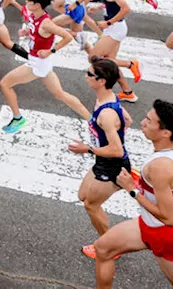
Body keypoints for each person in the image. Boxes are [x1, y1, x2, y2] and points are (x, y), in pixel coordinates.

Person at [91, 100, 173, 289]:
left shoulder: (160, 167)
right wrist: (171, 184)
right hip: (146, 225)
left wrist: (132, 190)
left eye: (149, 121)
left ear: (165, 132)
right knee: (102, 250)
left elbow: (167, 217)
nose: (143, 122)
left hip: (166, 235)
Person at [0, 0, 91, 134]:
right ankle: (91, 119)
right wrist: (27, 33)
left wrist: (50, 51)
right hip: (43, 64)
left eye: (29, 0)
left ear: (37, 4)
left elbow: (67, 37)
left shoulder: (46, 22)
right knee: (60, 94)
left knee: (4, 84)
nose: (26, 1)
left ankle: (18, 118)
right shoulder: (36, 17)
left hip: (37, 64)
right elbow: (39, 33)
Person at [69, 58, 131, 258]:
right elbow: (127, 120)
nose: (86, 76)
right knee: (82, 196)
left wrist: (87, 149)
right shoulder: (106, 98)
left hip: (112, 165)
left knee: (90, 205)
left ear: (101, 80)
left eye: (89, 74)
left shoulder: (106, 114)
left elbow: (117, 150)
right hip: (103, 162)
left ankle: (109, 247)